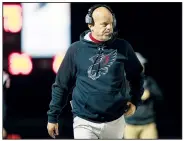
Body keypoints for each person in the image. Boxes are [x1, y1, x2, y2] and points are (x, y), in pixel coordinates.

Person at [47, 4, 144, 139]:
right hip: (84, 121)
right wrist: (53, 117)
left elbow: (137, 76)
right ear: (90, 25)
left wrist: (134, 101)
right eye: (104, 24)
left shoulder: (123, 47)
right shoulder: (76, 50)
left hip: (115, 121)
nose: (109, 27)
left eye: (111, 23)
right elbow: (61, 85)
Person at [124, 52, 163, 139]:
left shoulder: (149, 81)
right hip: (129, 124)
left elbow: (160, 98)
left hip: (148, 123)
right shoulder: (124, 83)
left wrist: (150, 93)